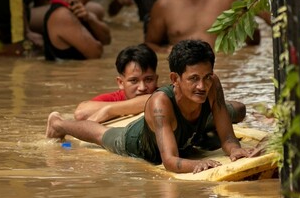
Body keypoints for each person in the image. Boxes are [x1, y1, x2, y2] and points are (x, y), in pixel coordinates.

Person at [45, 39, 255, 174]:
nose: (202, 86)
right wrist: (196, 165)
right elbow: (170, 161)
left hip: (190, 128)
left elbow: (228, 138)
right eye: (193, 79)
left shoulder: (212, 83)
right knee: (103, 136)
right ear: (175, 78)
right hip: (142, 145)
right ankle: (59, 124)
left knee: (237, 109)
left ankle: (198, 137)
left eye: (207, 77)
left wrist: (235, 150)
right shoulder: (160, 103)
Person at [73, 43, 160, 122]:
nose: (142, 88)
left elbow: (154, 99)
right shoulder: (114, 99)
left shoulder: (164, 94)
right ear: (120, 83)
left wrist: (110, 110)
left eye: (148, 79)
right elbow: (81, 113)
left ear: (156, 80)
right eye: (134, 80)